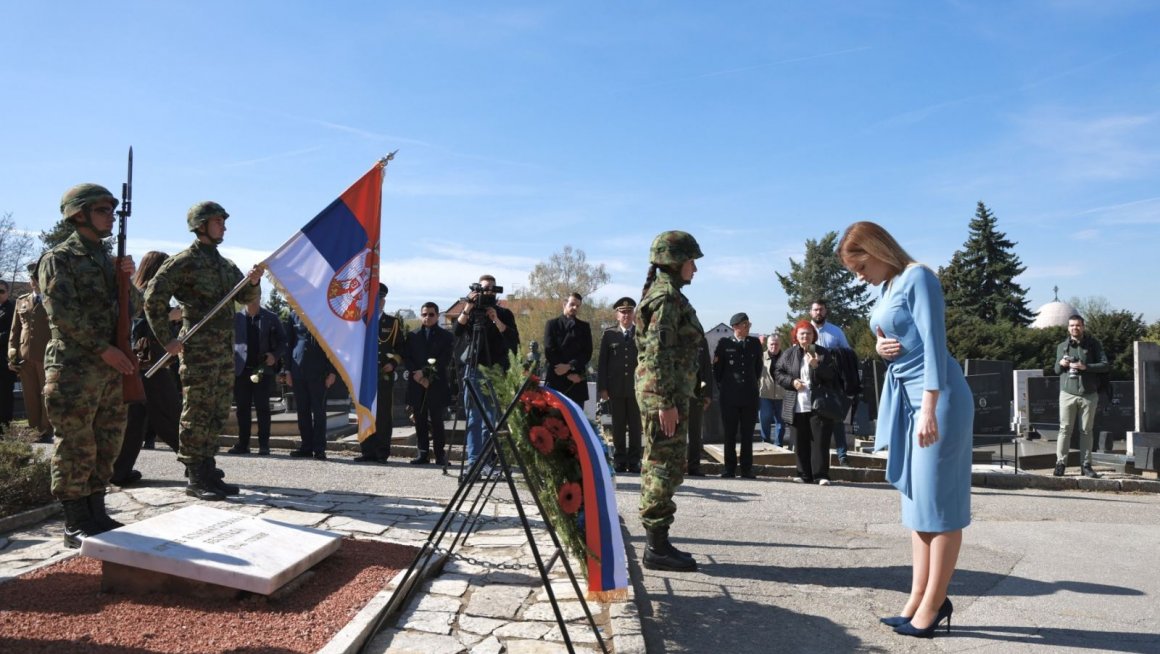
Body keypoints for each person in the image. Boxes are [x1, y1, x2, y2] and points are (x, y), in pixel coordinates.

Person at [839, 220, 973, 638]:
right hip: (909, 400)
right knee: (917, 505)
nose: (860, 278)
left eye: (859, 268)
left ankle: (933, 606)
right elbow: (894, 334)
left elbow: (934, 342)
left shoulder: (919, 278)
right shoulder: (887, 287)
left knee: (940, 505)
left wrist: (930, 407)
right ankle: (917, 599)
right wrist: (880, 348)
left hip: (938, 399)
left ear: (876, 250)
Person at [39, 183, 139, 547]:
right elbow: (62, 314)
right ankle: (74, 520)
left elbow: (135, 309)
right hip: (75, 368)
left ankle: (97, 510)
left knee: (107, 440)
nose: (110, 216)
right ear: (78, 214)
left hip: (110, 370)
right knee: (76, 444)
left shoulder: (107, 260)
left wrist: (128, 280)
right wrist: (103, 349)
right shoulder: (59, 259)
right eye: (102, 210)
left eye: (112, 210)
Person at [145, 201, 262, 501]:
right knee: (196, 411)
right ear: (200, 225)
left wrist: (254, 280)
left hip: (223, 353)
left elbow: (245, 296)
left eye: (224, 221)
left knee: (217, 412)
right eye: (218, 221)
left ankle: (208, 467)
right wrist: (166, 339)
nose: (224, 226)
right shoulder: (182, 262)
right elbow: (153, 299)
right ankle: (195, 474)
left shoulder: (225, 265)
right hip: (197, 351)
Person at [636, 230, 704, 572]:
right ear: (675, 262)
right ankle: (656, 548)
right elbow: (657, 353)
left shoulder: (667, 295)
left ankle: (659, 543)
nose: (695, 268)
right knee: (663, 465)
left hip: (671, 392)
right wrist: (664, 400)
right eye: (691, 261)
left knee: (666, 463)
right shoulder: (665, 298)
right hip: (665, 395)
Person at [112, 251, 182, 486]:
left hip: (139, 366)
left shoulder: (135, 292)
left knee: (135, 422)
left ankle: (119, 470)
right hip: (149, 366)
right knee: (171, 416)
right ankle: (197, 466)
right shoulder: (145, 294)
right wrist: (168, 315)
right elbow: (139, 322)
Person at [454, 274, 519, 469]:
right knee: (474, 417)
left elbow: (513, 339)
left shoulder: (504, 313)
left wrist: (496, 319)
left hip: (495, 371)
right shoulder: (472, 312)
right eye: (484, 288)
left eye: (491, 287)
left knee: (491, 418)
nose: (488, 291)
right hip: (474, 368)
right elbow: (456, 331)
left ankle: (486, 460)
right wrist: (468, 306)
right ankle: (474, 461)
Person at [775, 320, 841, 486]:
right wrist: (792, 382)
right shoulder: (789, 354)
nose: (805, 336)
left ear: (814, 336)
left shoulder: (823, 353)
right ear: (796, 336)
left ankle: (820, 475)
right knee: (800, 441)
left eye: (809, 333)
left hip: (818, 405)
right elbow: (778, 372)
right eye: (802, 333)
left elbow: (833, 376)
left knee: (819, 442)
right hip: (796, 404)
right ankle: (803, 474)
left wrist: (817, 366)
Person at [229, 289, 285, 455]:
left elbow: (283, 341)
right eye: (250, 297)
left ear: (261, 298)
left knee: (263, 408)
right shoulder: (236, 318)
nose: (253, 301)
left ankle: (263, 445)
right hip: (241, 371)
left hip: (263, 371)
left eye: (256, 297)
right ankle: (243, 444)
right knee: (242, 409)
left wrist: (274, 356)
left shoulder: (271, 317)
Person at [1053, 314, 1109, 478]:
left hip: (1088, 394)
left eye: (1077, 325)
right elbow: (1056, 370)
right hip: (1067, 394)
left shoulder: (1093, 345)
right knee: (1064, 429)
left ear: (1083, 327)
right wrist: (1061, 364)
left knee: (1086, 430)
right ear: (1068, 328)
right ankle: (1060, 464)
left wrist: (1086, 366)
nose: (1074, 328)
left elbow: (1105, 365)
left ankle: (1086, 465)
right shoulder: (1062, 346)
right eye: (1071, 326)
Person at [356, 284, 405, 463]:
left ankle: (382, 452)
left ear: (384, 301)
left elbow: (400, 349)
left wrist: (393, 363)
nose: (378, 302)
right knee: (365, 411)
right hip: (365, 375)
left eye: (380, 299)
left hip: (384, 374)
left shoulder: (393, 323)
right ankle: (367, 451)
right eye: (374, 299)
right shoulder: (361, 321)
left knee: (383, 414)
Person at [714, 312, 763, 478]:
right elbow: (718, 371)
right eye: (745, 325)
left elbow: (757, 369)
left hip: (749, 396)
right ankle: (729, 468)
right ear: (736, 327)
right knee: (729, 434)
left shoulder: (755, 343)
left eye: (748, 325)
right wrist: (727, 388)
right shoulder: (724, 343)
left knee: (748, 434)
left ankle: (747, 469)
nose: (748, 327)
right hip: (729, 397)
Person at [404, 302, 453, 465]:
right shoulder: (412, 335)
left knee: (437, 421)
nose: (427, 317)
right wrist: (417, 375)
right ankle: (422, 453)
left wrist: (426, 374)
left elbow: (444, 360)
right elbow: (407, 358)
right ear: (421, 315)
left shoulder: (446, 336)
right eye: (424, 314)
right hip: (417, 384)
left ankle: (440, 455)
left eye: (431, 314)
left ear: (437, 316)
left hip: (436, 385)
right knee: (420, 420)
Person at [811, 299, 859, 466]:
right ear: (811, 312)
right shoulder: (804, 330)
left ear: (826, 311)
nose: (818, 312)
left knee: (837, 418)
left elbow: (848, 353)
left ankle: (842, 455)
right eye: (816, 309)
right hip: (812, 382)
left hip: (833, 381)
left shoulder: (835, 331)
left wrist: (832, 353)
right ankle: (812, 457)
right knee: (811, 420)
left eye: (821, 309)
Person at [597, 297, 642, 473]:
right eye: (622, 312)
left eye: (629, 312)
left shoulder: (640, 334)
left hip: (636, 388)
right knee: (618, 426)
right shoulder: (609, 335)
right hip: (615, 388)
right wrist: (603, 388)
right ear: (617, 315)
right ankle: (620, 459)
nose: (626, 315)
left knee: (636, 426)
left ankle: (635, 460)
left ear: (633, 314)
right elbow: (602, 363)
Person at [285, 310, 337, 460]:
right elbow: (289, 344)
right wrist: (287, 370)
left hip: (319, 372)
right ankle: (306, 446)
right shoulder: (293, 314)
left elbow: (334, 345)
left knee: (319, 412)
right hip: (298, 370)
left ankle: (319, 448)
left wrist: (333, 372)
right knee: (302, 411)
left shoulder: (324, 313)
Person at [9, 263, 52, 443]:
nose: (34, 282)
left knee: (46, 393)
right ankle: (34, 429)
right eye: (32, 279)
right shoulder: (22, 300)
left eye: (37, 279)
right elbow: (15, 329)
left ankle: (46, 429)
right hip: (25, 355)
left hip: (46, 355)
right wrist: (12, 353)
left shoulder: (53, 300)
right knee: (30, 394)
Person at [544, 292, 593, 409]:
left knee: (575, 424)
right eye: (572, 304)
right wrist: (566, 371)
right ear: (564, 305)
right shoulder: (552, 324)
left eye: (578, 306)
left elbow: (587, 353)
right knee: (552, 422)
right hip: (556, 379)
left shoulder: (584, 327)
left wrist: (570, 367)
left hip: (576, 381)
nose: (575, 308)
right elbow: (549, 350)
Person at [685, 336, 713, 477]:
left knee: (695, 432)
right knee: (676, 432)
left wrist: (708, 394)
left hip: (696, 393)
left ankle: (694, 466)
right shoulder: (674, 335)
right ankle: (676, 466)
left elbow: (707, 367)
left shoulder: (701, 339)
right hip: (679, 393)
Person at [757, 332, 787, 448]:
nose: (774, 347)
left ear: (780, 345)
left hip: (782, 395)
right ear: (767, 345)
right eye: (771, 344)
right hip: (765, 394)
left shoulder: (786, 357)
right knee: (764, 420)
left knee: (781, 423)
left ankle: (778, 445)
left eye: (776, 344)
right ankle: (766, 443)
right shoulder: (761, 357)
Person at [0, 280, 16, 435]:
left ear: (7, 292)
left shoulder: (11, 308)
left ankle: (5, 429)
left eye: (2, 291)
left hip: (5, 360)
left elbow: (11, 332)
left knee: (5, 395)